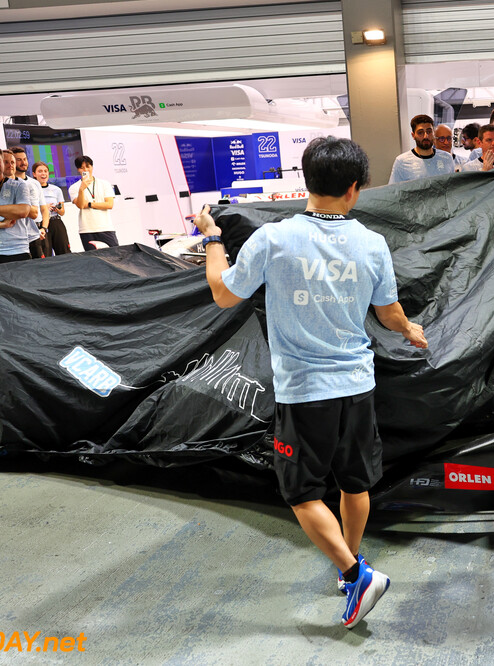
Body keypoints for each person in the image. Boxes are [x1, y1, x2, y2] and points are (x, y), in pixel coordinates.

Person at [193, 136, 426, 628]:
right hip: (357, 385)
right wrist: (410, 330)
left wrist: (212, 237)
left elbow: (222, 294)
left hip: (305, 392)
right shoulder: (371, 243)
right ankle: (352, 567)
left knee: (301, 493)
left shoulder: (274, 238)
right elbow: (388, 313)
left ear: (307, 182)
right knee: (355, 482)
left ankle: (354, 572)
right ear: (355, 188)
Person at [68, 155, 117, 251]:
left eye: (88, 166)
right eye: (82, 168)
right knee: (93, 260)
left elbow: (109, 204)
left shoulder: (104, 184)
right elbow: (81, 205)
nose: (85, 170)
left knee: (116, 255)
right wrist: (82, 189)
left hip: (105, 227)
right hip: (87, 229)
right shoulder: (74, 187)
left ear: (92, 167)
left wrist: (90, 204)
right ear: (78, 169)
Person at [390, 114, 455, 183]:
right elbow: (393, 191)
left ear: (433, 133)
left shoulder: (446, 158)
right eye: (420, 133)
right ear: (413, 135)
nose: (425, 136)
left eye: (429, 132)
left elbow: (453, 188)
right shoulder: (402, 162)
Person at [11, 147, 49, 258]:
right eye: (19, 160)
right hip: (19, 234)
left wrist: (44, 228)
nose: (23, 162)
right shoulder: (9, 184)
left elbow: (43, 209)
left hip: (38, 232)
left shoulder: (35, 183)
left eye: (25, 159)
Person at [31, 162, 70, 256]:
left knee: (64, 250)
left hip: (55, 221)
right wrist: (44, 208)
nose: (43, 174)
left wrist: (57, 209)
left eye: (45, 171)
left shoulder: (56, 190)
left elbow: (62, 212)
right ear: (34, 174)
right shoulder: (31, 189)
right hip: (41, 224)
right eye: (40, 171)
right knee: (45, 252)